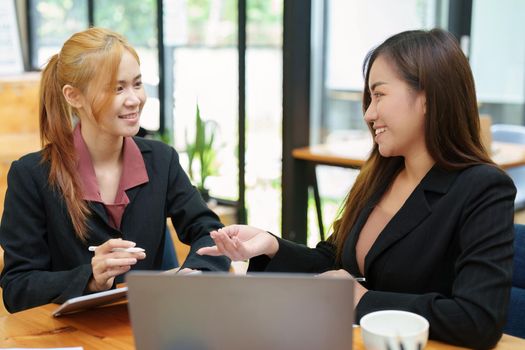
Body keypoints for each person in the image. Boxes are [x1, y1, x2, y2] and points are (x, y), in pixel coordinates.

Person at [198, 28, 516, 349]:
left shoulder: (483, 189)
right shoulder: (381, 174)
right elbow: (334, 263)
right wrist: (272, 246)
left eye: (379, 95)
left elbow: (479, 319)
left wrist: (362, 300)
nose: (368, 113)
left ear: (428, 97)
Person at [0, 27, 229, 313]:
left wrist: (197, 273)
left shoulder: (161, 160)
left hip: (149, 327)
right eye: (117, 88)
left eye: (137, 84)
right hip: (71, 336)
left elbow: (211, 232)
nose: (134, 99)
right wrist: (90, 278)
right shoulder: (31, 175)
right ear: (74, 96)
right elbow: (17, 287)